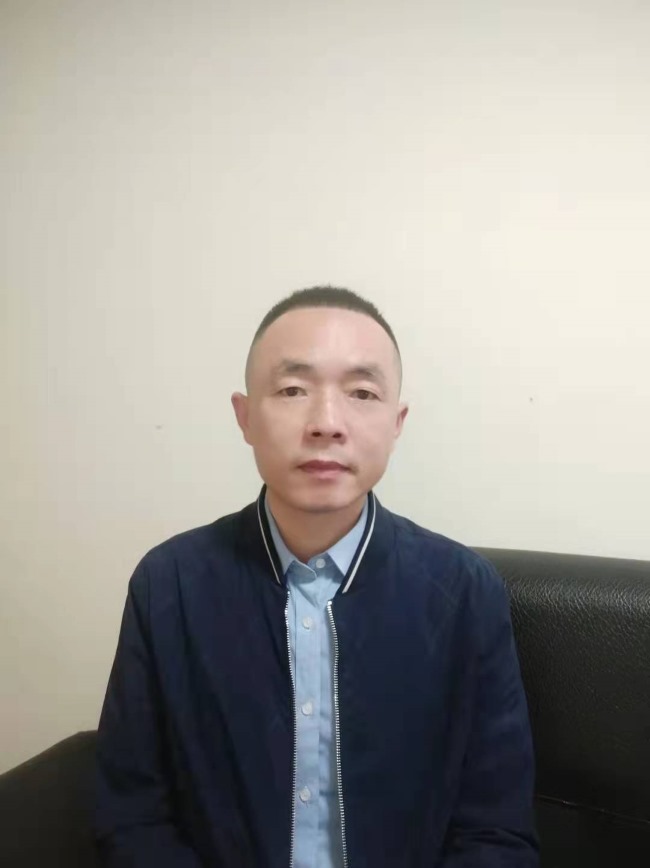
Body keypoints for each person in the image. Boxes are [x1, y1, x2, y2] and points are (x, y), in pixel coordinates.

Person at [94, 285, 539, 867]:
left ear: (397, 422)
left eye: (362, 393)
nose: (327, 423)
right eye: (293, 389)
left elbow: (496, 832)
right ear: (245, 417)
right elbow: (132, 818)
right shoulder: (169, 585)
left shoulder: (465, 592)